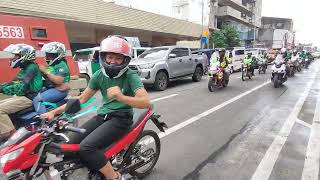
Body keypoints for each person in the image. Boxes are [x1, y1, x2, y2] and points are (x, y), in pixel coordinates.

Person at [41, 36, 150, 180]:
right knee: (69, 145)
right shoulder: (99, 75)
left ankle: (115, 177)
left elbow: (145, 102)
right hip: (102, 116)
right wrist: (53, 112)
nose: (113, 61)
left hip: (121, 118)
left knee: (87, 147)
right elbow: (81, 99)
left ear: (125, 60)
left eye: (118, 58)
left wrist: (121, 97)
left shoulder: (130, 75)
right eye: (110, 57)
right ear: (103, 57)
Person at [0, 44, 43, 139]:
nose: (13, 58)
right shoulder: (24, 68)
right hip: (22, 96)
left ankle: (12, 137)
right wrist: (2, 86)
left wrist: (3, 89)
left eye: (16, 56)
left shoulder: (31, 68)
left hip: (29, 97)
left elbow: (21, 86)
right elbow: (13, 82)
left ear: (24, 55)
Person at [33, 42, 70, 113]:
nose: (47, 57)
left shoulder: (61, 65)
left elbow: (59, 81)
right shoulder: (52, 65)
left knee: (37, 100)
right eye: (47, 54)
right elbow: (48, 77)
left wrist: (46, 72)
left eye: (50, 55)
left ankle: (43, 120)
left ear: (58, 55)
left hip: (59, 90)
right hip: (50, 87)